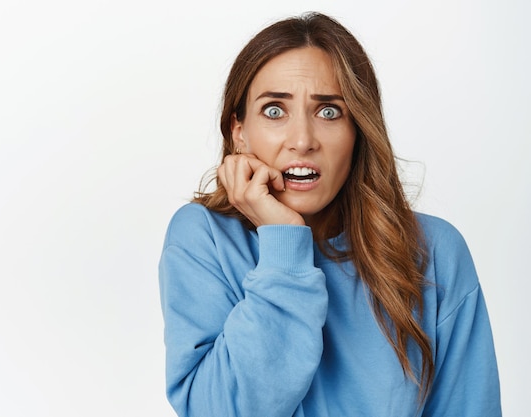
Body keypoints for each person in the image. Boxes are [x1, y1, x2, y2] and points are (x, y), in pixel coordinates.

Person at [158, 12, 501, 417]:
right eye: (273, 111)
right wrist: (283, 245)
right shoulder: (203, 238)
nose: (302, 140)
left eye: (329, 112)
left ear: (359, 129)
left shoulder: (435, 251)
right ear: (239, 130)